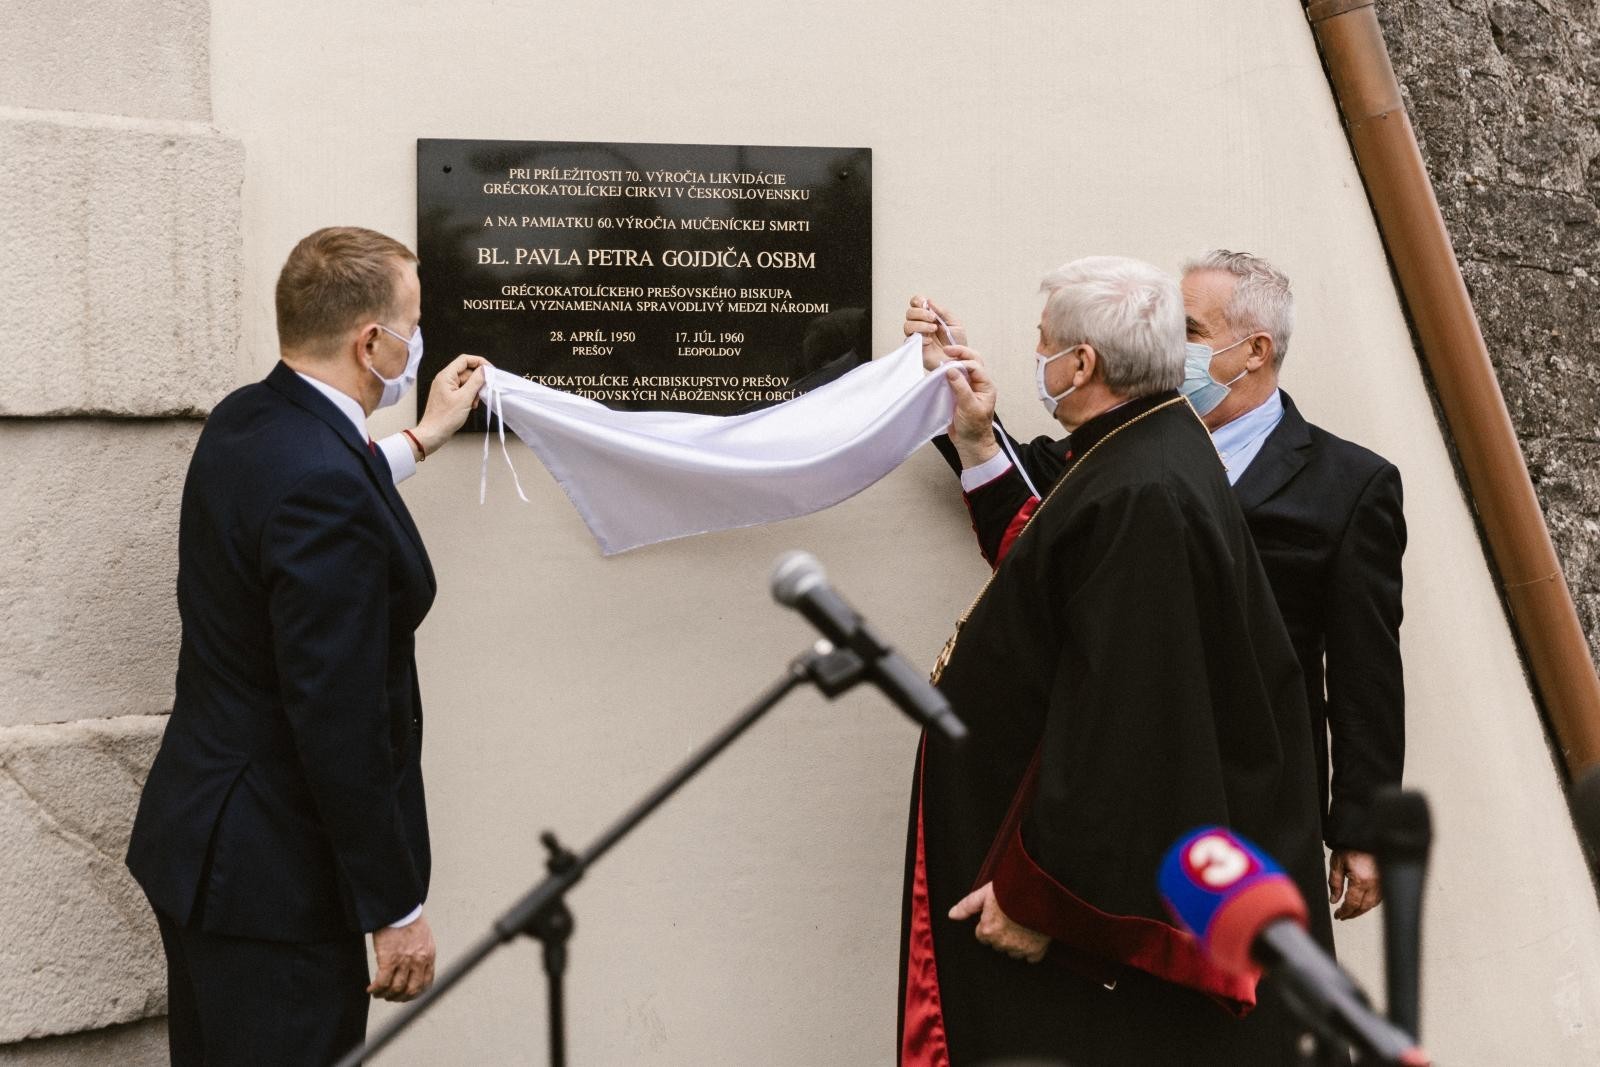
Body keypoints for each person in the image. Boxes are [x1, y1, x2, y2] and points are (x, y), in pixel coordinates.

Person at [897, 256, 1332, 1064]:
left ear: (1083, 364)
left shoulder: (1145, 487)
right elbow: (1052, 566)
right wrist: (975, 433)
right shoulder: (1139, 446)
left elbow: (1132, 716)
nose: (1038, 356)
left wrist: (1043, 898)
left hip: (1052, 900)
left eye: (1043, 342)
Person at [908, 249, 1406, 922]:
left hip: (1253, 794)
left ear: (1255, 349)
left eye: (1191, 330)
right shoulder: (1131, 444)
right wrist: (958, 388)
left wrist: (1361, 826)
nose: (1173, 346)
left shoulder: (1349, 483)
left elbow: (1364, 669)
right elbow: (1037, 512)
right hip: (1135, 785)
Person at [126, 226, 486, 1065]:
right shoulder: (322, 483)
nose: (418, 339)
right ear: (373, 341)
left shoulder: (251, 419)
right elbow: (339, 717)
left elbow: (318, 494)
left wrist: (423, 436)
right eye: (415, 323)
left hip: (205, 846)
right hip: (275, 882)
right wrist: (394, 908)